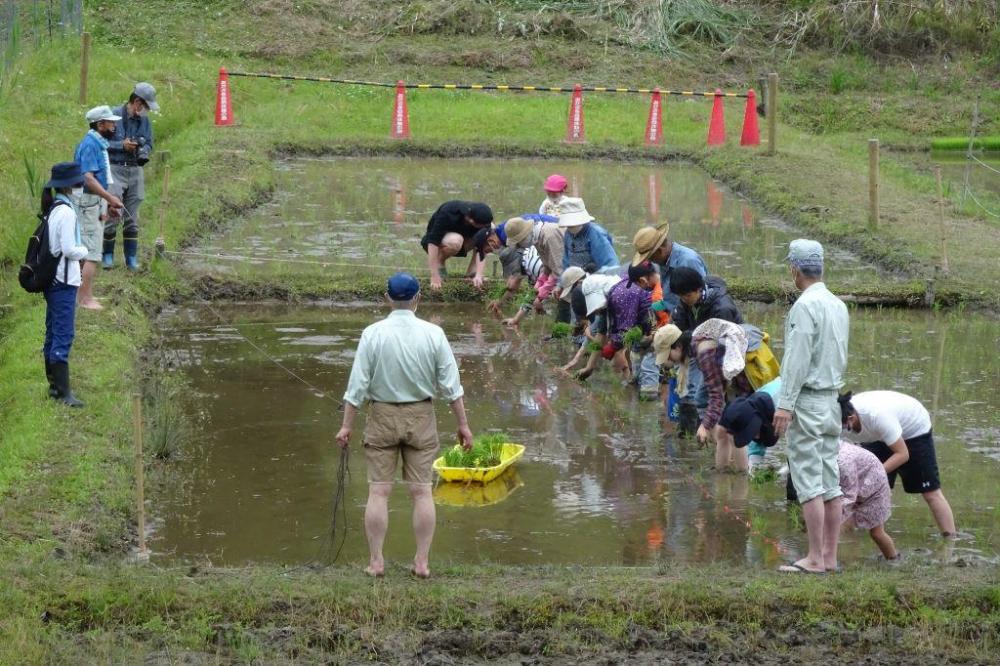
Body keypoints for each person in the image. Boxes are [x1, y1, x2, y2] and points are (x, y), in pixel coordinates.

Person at [336, 272, 473, 578]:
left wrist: (347, 426)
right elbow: (452, 386)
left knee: (379, 491)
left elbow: (356, 386)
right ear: (417, 299)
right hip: (421, 415)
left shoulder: (373, 333)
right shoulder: (434, 334)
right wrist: (463, 425)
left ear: (387, 299)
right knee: (422, 492)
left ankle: (376, 562)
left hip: (381, 414)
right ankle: (422, 563)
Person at [721, 395, 899, 565]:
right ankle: (830, 557)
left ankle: (890, 559)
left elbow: (849, 497)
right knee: (833, 521)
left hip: (875, 489)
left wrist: (830, 517)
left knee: (869, 530)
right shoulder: (822, 456)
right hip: (857, 483)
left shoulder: (843, 461)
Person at [772, 239, 849, 574]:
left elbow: (797, 359)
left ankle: (815, 558)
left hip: (807, 401)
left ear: (794, 269)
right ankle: (830, 557)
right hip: (832, 400)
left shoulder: (804, 307)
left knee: (808, 481)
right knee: (830, 481)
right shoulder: (838, 305)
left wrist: (785, 404)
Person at [840, 390, 956, 536]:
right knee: (860, 492)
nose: (841, 431)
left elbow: (903, 454)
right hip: (876, 436)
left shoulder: (877, 416)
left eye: (843, 428)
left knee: (930, 493)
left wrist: (874, 472)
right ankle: (845, 542)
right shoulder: (836, 420)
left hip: (913, 431)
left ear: (851, 418)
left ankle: (950, 541)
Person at [662, 319, 755, 471]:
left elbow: (716, 397)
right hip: (735, 381)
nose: (670, 361)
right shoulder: (698, 341)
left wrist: (705, 426)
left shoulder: (705, 353)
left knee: (734, 430)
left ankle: (743, 478)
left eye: (669, 355)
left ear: (678, 347)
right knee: (725, 430)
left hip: (744, 385)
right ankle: (723, 472)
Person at [39, 162, 90, 407]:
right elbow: (70, 249)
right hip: (63, 281)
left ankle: (54, 388)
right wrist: (86, 250)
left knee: (52, 331)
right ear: (70, 186)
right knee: (63, 333)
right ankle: (64, 393)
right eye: (79, 183)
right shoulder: (67, 212)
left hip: (53, 280)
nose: (81, 186)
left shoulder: (55, 208)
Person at [73, 105, 124, 310]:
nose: (114, 125)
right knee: (92, 252)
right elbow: (87, 178)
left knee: (90, 250)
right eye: (110, 122)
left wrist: (106, 203)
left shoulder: (97, 143)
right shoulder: (90, 145)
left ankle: (82, 295)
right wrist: (110, 198)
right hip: (88, 202)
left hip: (95, 201)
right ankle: (85, 299)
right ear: (100, 124)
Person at [104, 82, 159, 271]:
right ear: (137, 102)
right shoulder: (112, 115)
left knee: (132, 215)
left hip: (135, 170)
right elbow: (100, 141)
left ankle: (131, 258)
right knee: (113, 211)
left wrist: (144, 149)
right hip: (115, 168)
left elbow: (150, 143)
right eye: (145, 107)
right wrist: (121, 146)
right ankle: (107, 255)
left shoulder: (144, 122)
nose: (146, 111)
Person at [630, 223, 707, 315]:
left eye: (650, 257)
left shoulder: (688, 261)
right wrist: (648, 310)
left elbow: (700, 300)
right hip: (672, 311)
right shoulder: (663, 261)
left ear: (660, 251)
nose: (650, 261)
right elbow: (668, 301)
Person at [420, 200, 493, 290]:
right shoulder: (448, 211)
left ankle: (472, 273)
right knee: (456, 240)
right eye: (480, 226)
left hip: (464, 243)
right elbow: (433, 242)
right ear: (470, 219)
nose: (484, 227)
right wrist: (434, 274)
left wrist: (479, 274)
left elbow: (482, 247)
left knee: (491, 230)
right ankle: (439, 263)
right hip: (442, 243)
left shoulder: (483, 222)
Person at [502, 216, 565, 314]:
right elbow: (547, 269)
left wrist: (540, 296)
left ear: (525, 235)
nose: (519, 247)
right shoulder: (537, 239)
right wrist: (535, 293)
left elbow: (558, 272)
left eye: (518, 243)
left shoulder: (548, 237)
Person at [559, 198, 617, 273]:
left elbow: (611, 266)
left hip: (596, 280)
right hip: (576, 279)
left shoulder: (595, 234)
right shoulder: (568, 234)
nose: (571, 226)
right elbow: (566, 263)